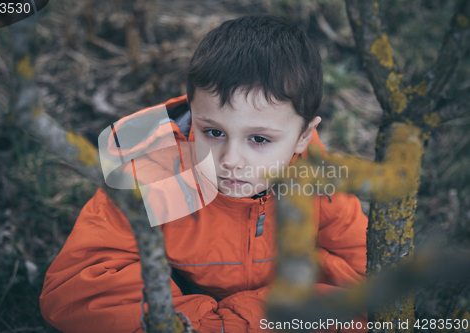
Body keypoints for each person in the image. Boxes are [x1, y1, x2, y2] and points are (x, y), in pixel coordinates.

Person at [40, 14, 368, 332]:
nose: (231, 160)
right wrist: (212, 326)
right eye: (213, 132)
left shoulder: (320, 183)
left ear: (303, 137)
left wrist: (248, 318)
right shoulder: (151, 176)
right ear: (194, 114)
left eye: (259, 139)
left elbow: (371, 282)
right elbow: (76, 291)